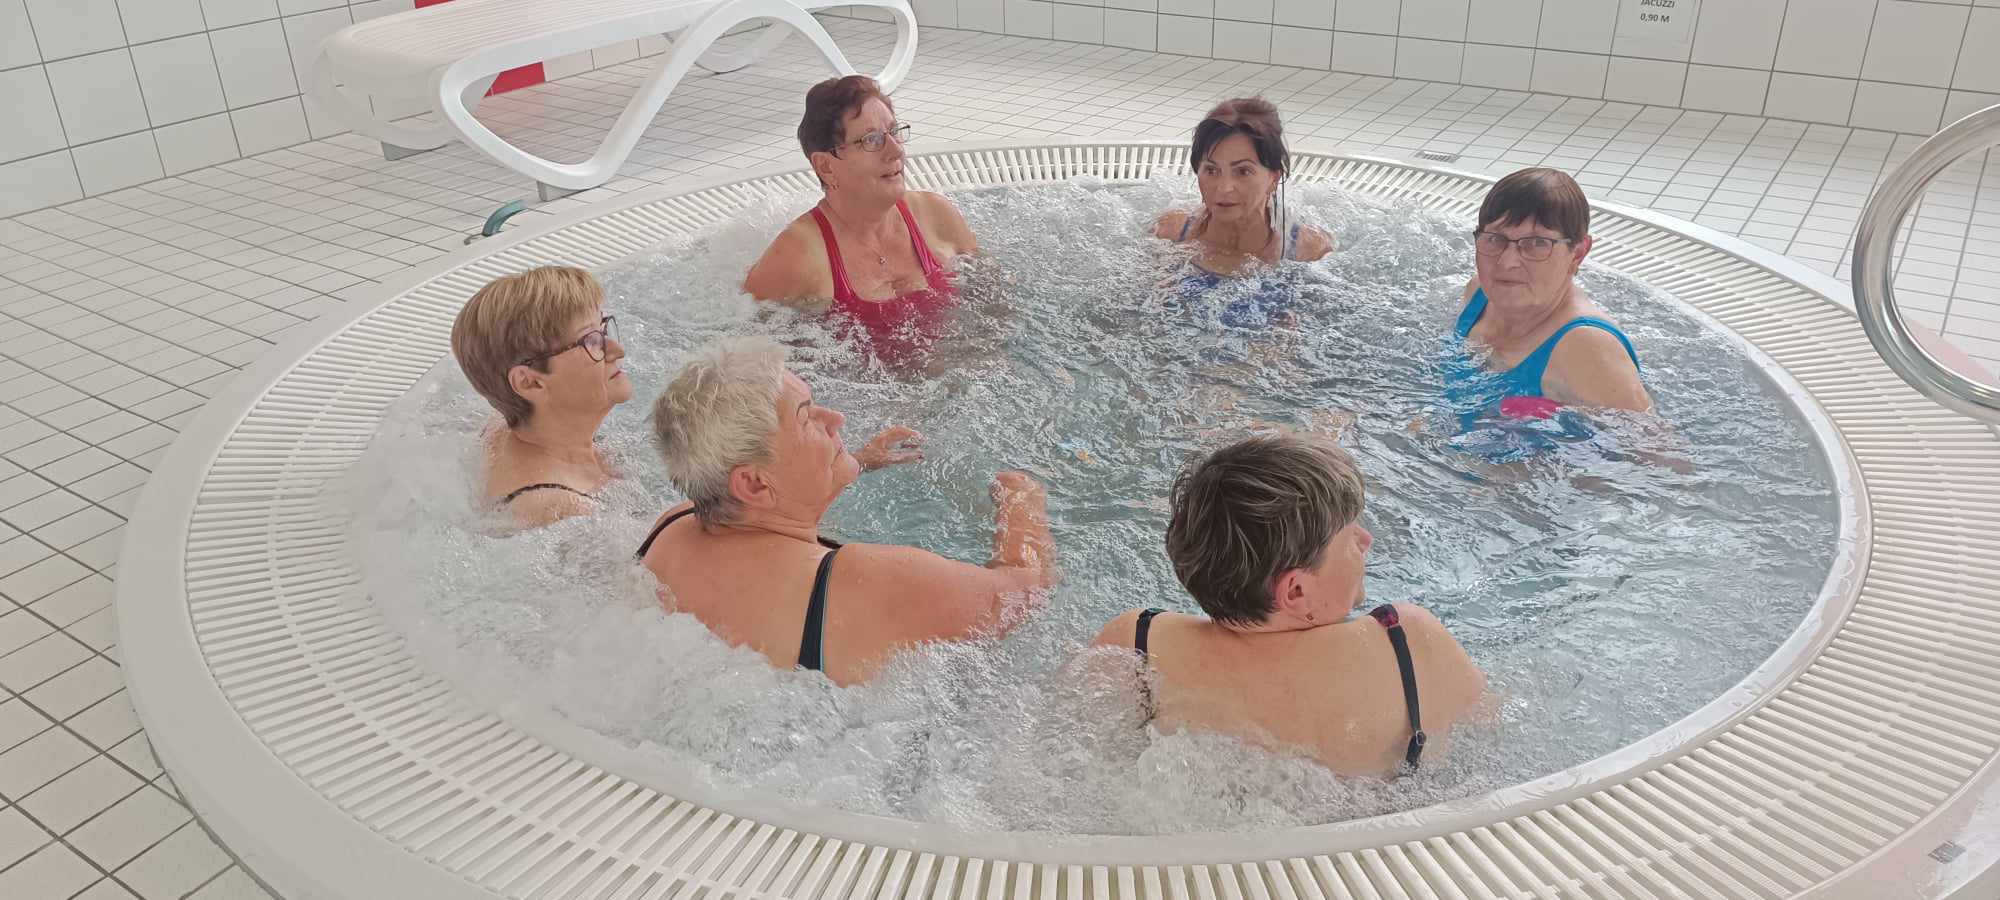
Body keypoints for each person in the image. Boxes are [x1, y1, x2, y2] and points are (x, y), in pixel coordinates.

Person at [641, 336, 1057, 685]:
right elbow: (1024, 593)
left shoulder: (671, 528)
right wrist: (1023, 501)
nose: (835, 418)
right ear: (753, 483)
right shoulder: (866, 582)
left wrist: (850, 463)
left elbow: (775, 518)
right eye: (807, 419)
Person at [1091, 434, 1485, 777]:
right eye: (1349, 536)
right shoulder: (1407, 642)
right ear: (1295, 591)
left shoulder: (1136, 644)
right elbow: (1484, 747)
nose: (1366, 540)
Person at [744, 75, 978, 352]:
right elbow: (749, 354)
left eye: (894, 131)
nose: (895, 150)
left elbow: (994, 303)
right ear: (826, 166)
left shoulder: (935, 216)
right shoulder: (798, 256)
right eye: (871, 140)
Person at [1446, 167, 1650, 428]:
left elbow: (1657, 449)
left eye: (1537, 243)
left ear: (1578, 253)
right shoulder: (1479, 295)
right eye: (1495, 239)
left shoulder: (1586, 345)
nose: (1507, 262)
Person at [450, 265, 630, 526]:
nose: (616, 349)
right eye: (590, 341)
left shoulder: (502, 429)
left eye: (602, 331)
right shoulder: (560, 509)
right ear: (530, 382)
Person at [1154, 96, 1333, 325]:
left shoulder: (1309, 251)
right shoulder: (1170, 233)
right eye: (1211, 170)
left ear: (1273, 178)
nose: (1224, 188)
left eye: (1243, 171)